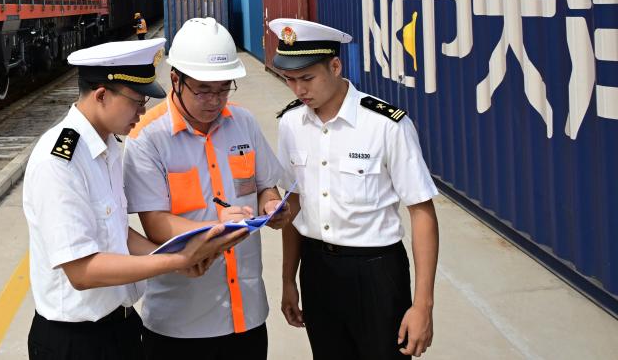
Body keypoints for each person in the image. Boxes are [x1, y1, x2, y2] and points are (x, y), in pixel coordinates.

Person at [23, 37, 246, 359]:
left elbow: (116, 232)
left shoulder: (107, 147)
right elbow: (82, 271)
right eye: (137, 101)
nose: (143, 111)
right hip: (75, 341)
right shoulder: (60, 161)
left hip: (121, 326)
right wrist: (178, 260)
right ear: (102, 95)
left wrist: (173, 258)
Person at [269, 18, 440, 359]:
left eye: (307, 78)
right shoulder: (291, 123)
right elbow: (294, 203)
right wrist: (289, 279)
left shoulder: (386, 125)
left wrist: (423, 305)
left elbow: (422, 211)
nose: (298, 90)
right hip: (317, 269)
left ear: (335, 66)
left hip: (376, 272)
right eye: (290, 79)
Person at [123, 18, 291, 359]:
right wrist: (219, 227)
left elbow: (265, 187)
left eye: (224, 88)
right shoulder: (147, 138)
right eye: (203, 89)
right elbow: (155, 224)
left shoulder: (243, 122)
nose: (215, 100)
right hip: (181, 324)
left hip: (246, 316)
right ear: (176, 79)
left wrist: (272, 205)